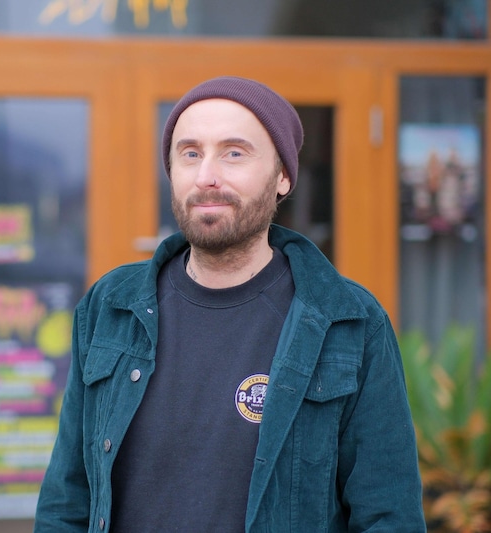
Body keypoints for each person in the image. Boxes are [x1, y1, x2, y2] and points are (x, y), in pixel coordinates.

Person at [34, 76, 426, 532]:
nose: (207, 177)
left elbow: (388, 515)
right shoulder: (111, 307)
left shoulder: (349, 322)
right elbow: (67, 498)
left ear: (282, 176)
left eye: (234, 152)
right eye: (191, 153)